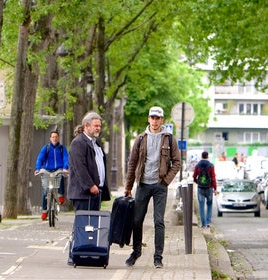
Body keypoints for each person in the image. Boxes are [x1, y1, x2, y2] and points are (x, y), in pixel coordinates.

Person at [124, 106, 182, 269]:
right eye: (152, 117)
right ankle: (136, 252)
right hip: (142, 184)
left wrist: (165, 181)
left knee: (159, 222)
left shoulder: (169, 138)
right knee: (137, 220)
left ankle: (158, 257)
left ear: (162, 120)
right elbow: (132, 163)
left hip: (159, 185)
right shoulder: (141, 139)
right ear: (148, 119)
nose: (155, 121)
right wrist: (129, 186)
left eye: (158, 118)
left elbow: (177, 162)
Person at [67, 112, 110, 213]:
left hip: (96, 192)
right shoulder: (78, 142)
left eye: (99, 126)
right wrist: (90, 185)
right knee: (83, 225)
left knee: (93, 226)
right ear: (86, 126)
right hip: (83, 194)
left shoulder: (95, 143)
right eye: (95, 125)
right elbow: (79, 167)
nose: (98, 128)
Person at [34, 130, 69, 218]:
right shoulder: (46, 148)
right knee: (45, 191)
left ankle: (60, 195)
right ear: (50, 138)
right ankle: (45, 211)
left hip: (58, 169)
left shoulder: (62, 148)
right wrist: (38, 169)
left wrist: (65, 168)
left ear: (58, 138)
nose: (54, 138)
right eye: (53, 137)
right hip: (47, 171)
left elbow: (66, 158)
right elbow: (40, 158)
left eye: (56, 137)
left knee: (60, 176)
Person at [193, 151, 218, 228]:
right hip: (209, 187)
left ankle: (203, 224)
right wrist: (215, 188)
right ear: (207, 156)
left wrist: (197, 182)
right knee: (209, 204)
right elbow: (213, 178)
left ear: (201, 156)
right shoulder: (211, 166)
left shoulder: (197, 166)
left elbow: (194, 176)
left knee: (201, 205)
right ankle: (208, 222)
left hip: (200, 188)